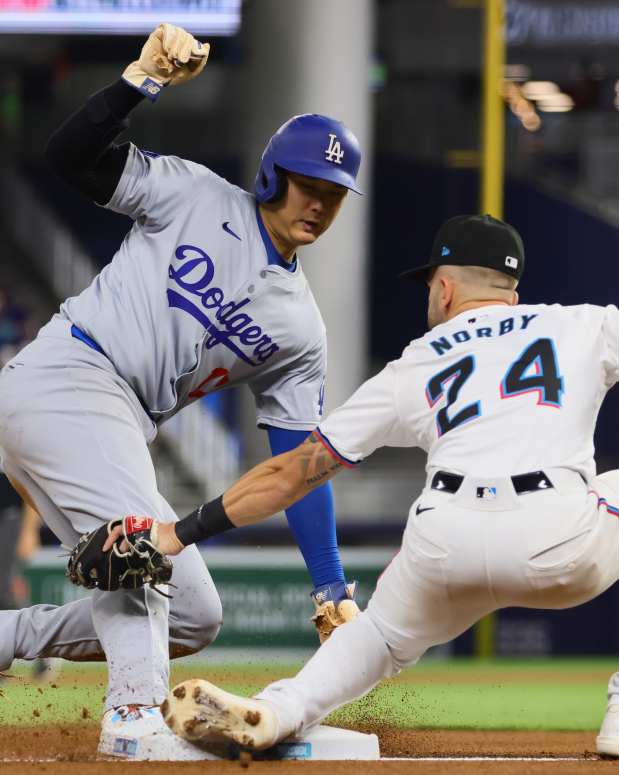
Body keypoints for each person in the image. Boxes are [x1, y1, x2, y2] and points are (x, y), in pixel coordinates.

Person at [0, 23, 362, 761]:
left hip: (121, 419)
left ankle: (8, 638)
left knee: (194, 611)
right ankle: (132, 717)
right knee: (139, 550)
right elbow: (69, 157)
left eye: (335, 194)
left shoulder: (300, 328)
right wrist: (139, 82)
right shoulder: (194, 195)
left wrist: (331, 587)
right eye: (308, 185)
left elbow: (301, 462)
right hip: (70, 373)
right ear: (273, 177)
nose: (320, 204)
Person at [146, 213, 619, 758]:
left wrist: (180, 531)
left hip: (445, 537)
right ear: (511, 289)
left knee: (375, 640)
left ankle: (278, 709)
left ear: (444, 287)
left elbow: (292, 473)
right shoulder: (583, 324)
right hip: (557, 534)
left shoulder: (416, 362)